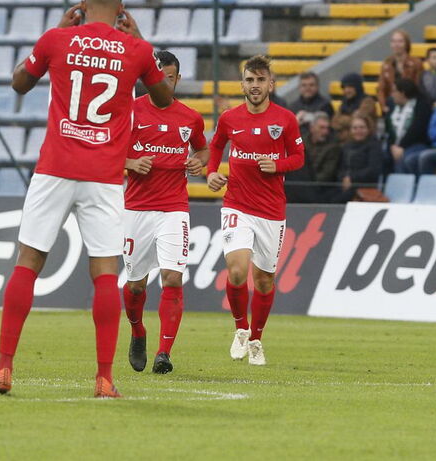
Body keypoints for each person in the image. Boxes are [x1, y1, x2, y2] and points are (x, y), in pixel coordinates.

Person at [0, 0, 173, 398]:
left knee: (28, 262)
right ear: (121, 11)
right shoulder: (137, 49)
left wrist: (58, 29)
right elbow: (163, 100)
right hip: (104, 176)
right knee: (105, 274)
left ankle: (3, 369)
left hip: (54, 168)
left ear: (83, 6)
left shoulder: (57, 38)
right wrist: (141, 40)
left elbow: (19, 83)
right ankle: (104, 379)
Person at [206, 56, 305, 367]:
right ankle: (240, 329)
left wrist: (278, 165)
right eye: (250, 80)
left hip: (271, 210)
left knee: (264, 280)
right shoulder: (229, 118)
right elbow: (215, 146)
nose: (255, 86)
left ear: (271, 84)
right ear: (243, 84)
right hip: (237, 204)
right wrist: (211, 172)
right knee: (236, 270)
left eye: (261, 80)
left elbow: (299, 157)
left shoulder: (286, 119)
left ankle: (257, 339)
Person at [121, 51, 208, 376]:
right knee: (135, 286)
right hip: (137, 209)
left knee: (172, 278)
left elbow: (203, 148)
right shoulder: (130, 112)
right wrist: (129, 163)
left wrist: (200, 162)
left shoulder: (190, 117)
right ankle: (137, 331)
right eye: (158, 77)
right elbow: (105, 149)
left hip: (174, 208)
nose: (163, 83)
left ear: (177, 79)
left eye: (169, 77)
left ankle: (164, 352)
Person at [286, 112, 342, 203]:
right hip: (298, 186)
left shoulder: (333, 147)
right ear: (312, 128)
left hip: (318, 189)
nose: (325, 132)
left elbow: (326, 174)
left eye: (327, 128)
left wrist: (309, 184)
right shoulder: (302, 142)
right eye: (321, 128)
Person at [386, 78, 432, 173]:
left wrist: (401, 147)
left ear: (402, 93)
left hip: (417, 144)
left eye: (394, 91)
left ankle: (404, 186)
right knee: (382, 156)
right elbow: (389, 132)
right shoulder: (393, 108)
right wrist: (392, 147)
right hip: (396, 146)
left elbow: (417, 129)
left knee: (404, 159)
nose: (392, 95)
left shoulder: (421, 105)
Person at [336, 114, 384, 201]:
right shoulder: (347, 146)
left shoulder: (374, 146)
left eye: (362, 127)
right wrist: (343, 179)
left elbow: (373, 170)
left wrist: (351, 178)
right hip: (346, 185)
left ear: (368, 129)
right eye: (355, 128)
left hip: (365, 187)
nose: (358, 131)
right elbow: (341, 168)